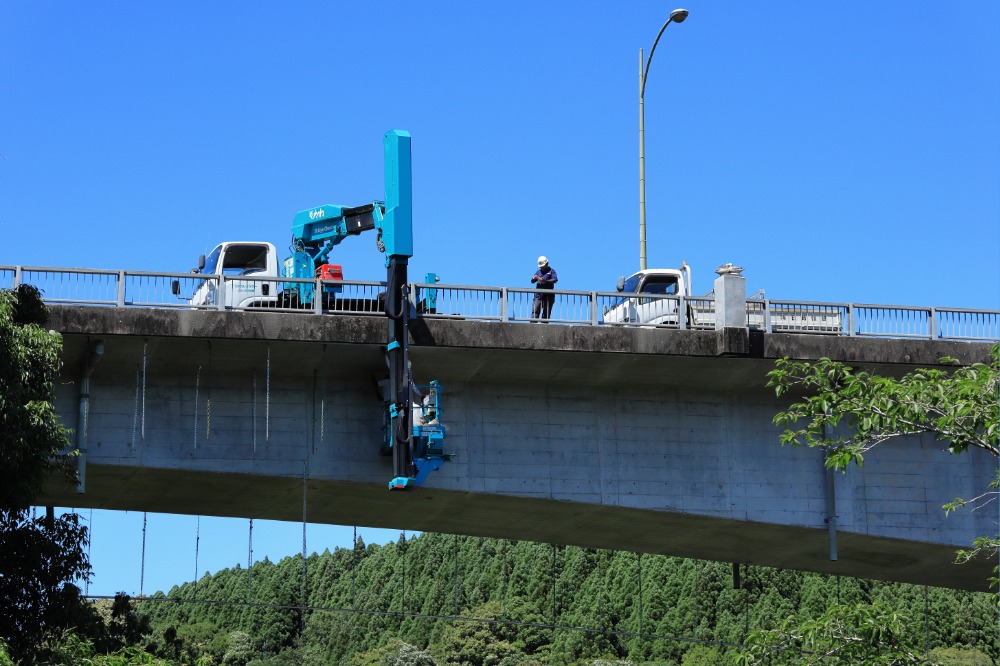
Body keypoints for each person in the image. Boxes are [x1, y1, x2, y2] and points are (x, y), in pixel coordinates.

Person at [530, 255, 558, 321]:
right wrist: (534, 278)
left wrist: (546, 281)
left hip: (548, 296)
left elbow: (555, 280)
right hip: (538, 295)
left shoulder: (551, 271)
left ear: (547, 264)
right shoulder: (538, 272)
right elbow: (532, 281)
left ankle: (544, 326)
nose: (542, 268)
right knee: (535, 311)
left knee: (546, 314)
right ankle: (533, 326)